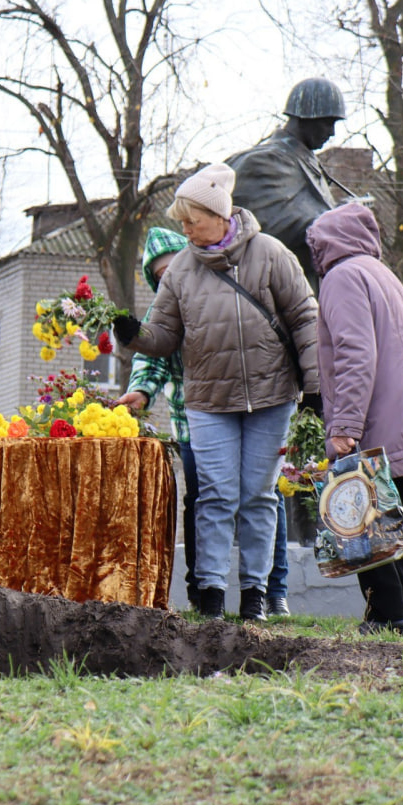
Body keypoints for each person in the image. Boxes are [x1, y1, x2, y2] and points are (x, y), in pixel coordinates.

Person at [113, 163, 320, 621]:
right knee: (215, 496)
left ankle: (255, 596)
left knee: (259, 496)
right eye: (181, 222)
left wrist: (316, 386)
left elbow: (306, 319)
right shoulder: (182, 270)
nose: (185, 230)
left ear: (220, 214)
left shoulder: (270, 253)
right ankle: (209, 593)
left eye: (193, 221)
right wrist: (134, 335)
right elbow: (163, 335)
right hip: (208, 402)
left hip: (271, 397)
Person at [306, 202, 403, 635]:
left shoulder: (341, 277)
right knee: (389, 523)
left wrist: (345, 427)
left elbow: (355, 354)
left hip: (378, 422)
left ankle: (388, 619)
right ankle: (398, 617)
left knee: (365, 522)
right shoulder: (381, 274)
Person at [115, 228, 198, 608]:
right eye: (161, 276)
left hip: (239, 416)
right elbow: (151, 357)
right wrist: (143, 390)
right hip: (191, 424)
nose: (170, 279)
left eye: (176, 269)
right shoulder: (160, 312)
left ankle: (271, 592)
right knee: (198, 503)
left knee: (260, 501)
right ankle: (202, 591)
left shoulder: (217, 298)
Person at [225, 77, 345, 293]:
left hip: (309, 296)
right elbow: (269, 231)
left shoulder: (306, 162)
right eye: (328, 122)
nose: (332, 132)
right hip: (275, 299)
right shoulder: (264, 161)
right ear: (306, 117)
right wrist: (339, 222)